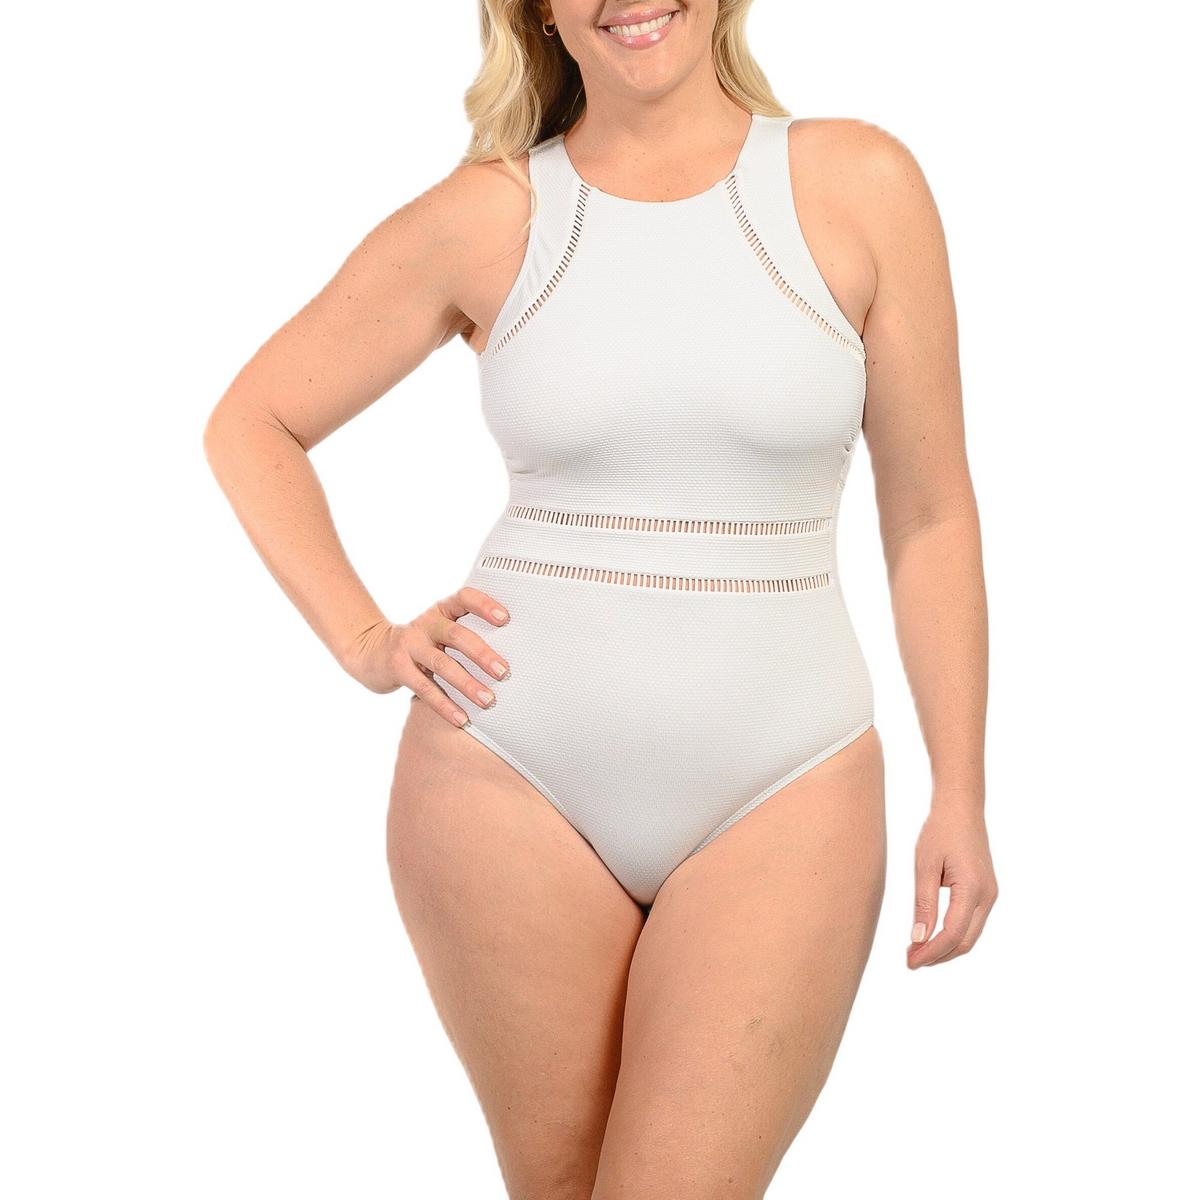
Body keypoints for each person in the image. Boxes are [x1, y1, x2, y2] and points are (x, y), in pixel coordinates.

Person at [203, 2, 999, 1195]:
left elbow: (932, 514)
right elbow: (252, 422)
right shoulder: (489, 215)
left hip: (788, 783)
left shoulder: (859, 183)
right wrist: (367, 641)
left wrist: (961, 791)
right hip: (507, 778)